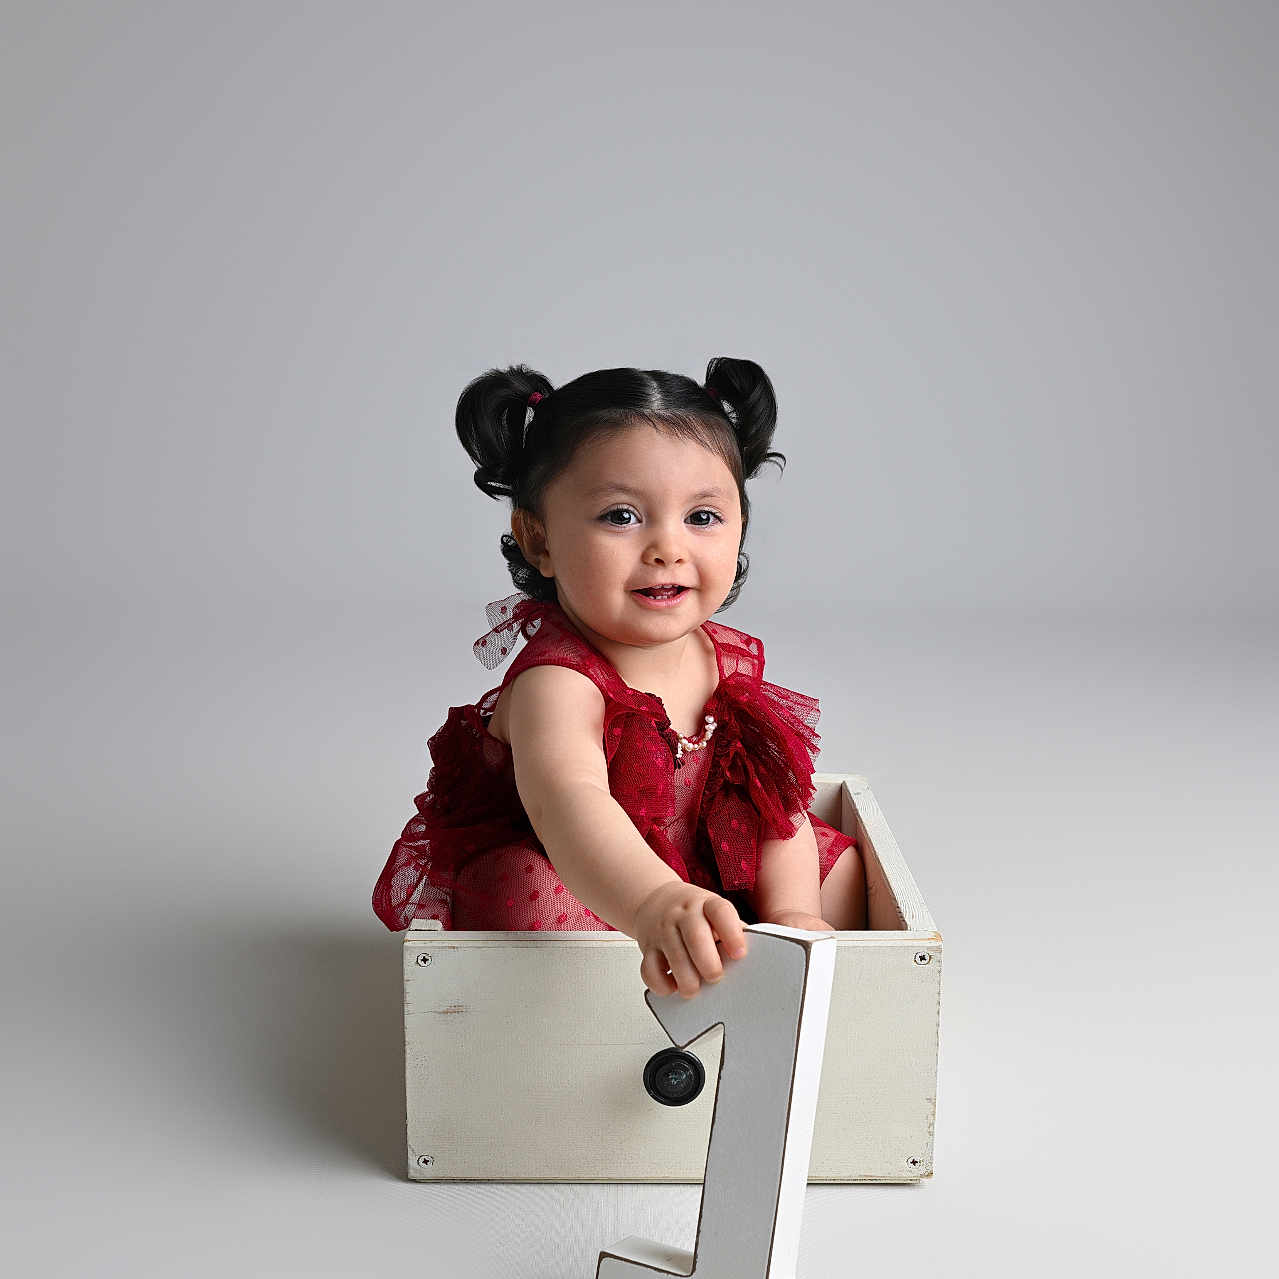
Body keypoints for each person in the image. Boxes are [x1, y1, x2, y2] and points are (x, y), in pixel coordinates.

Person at [372, 358, 868, 998]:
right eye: (621, 517)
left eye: (703, 517)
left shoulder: (722, 660)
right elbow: (570, 806)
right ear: (537, 538)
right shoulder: (559, 682)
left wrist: (794, 912)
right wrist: (653, 900)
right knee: (530, 901)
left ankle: (775, 990)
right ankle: (592, 1029)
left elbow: (775, 802)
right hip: (589, 873)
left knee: (842, 869)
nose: (667, 547)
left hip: (689, 869)